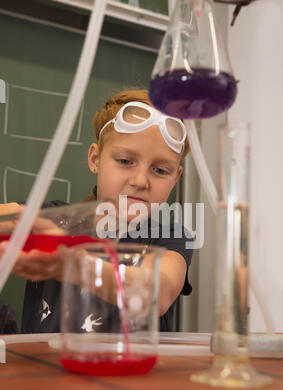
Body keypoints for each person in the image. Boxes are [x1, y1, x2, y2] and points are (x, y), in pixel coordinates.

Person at [0, 89, 193, 332]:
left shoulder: (169, 238)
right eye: (125, 161)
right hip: (45, 368)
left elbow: (158, 292)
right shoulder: (52, 220)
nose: (141, 181)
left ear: (175, 178)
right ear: (95, 159)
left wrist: (73, 265)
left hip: (133, 370)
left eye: (160, 170)